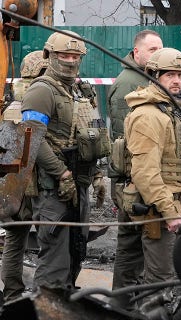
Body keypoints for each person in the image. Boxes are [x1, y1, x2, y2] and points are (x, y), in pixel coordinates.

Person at [21, 31, 108, 288]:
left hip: (79, 184)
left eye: (76, 56)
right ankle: (45, 307)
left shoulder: (80, 90)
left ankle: (65, 305)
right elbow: (32, 139)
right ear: (50, 56)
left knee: (76, 252)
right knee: (55, 260)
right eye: (64, 55)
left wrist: (98, 175)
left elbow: (94, 135)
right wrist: (62, 173)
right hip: (53, 189)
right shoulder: (41, 90)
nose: (71, 61)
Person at [123, 47, 181, 290]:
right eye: (169, 75)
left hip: (173, 202)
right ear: (154, 75)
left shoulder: (169, 109)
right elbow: (145, 172)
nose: (177, 81)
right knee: (160, 283)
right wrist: (169, 211)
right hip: (159, 209)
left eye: (180, 75)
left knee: (169, 278)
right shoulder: (149, 115)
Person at [107, 29, 162, 308]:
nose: (158, 54)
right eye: (152, 49)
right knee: (130, 245)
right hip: (131, 179)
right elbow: (123, 141)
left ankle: (128, 302)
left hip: (143, 177)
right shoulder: (129, 83)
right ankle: (121, 305)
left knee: (140, 244)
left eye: (160, 49)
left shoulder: (149, 79)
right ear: (136, 52)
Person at [0, 50, 47, 301]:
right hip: (36, 184)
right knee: (48, 243)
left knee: (14, 242)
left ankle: (12, 293)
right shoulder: (40, 101)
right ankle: (41, 295)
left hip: (12, 185)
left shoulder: (11, 105)